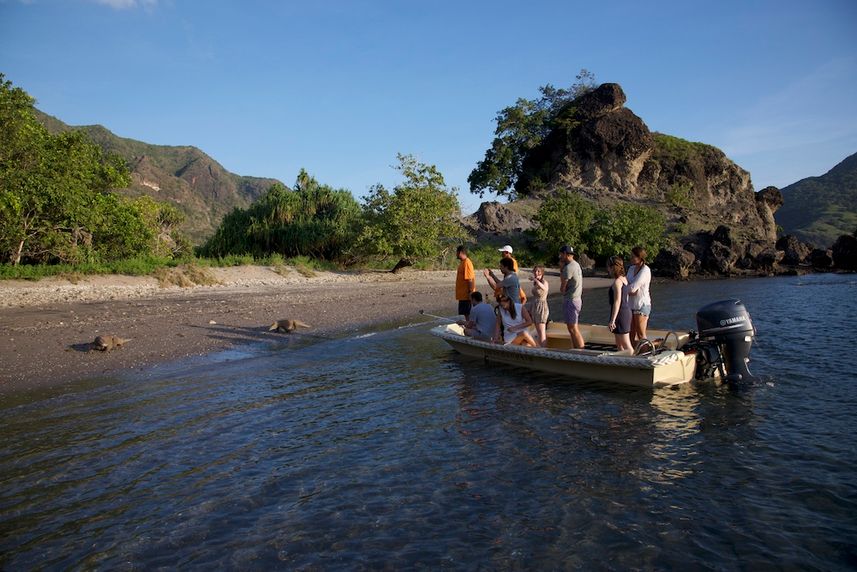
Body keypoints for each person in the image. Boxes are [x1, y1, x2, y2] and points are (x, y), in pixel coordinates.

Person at [559, 245, 585, 349]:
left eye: (561, 254)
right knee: (573, 328)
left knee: (573, 328)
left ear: (565, 254)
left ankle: (581, 351)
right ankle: (577, 349)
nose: (560, 257)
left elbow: (562, 289)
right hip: (577, 299)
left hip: (571, 300)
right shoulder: (576, 265)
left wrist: (561, 270)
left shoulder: (568, 268)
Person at [626, 246, 652, 347]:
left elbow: (632, 288)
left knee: (641, 334)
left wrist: (627, 290)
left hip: (642, 305)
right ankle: (632, 354)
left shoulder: (645, 270)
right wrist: (628, 290)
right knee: (630, 333)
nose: (631, 258)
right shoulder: (631, 268)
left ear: (640, 257)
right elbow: (627, 284)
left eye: (633, 256)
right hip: (631, 305)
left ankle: (645, 355)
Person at [607, 255, 633, 351]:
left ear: (613, 267)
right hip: (624, 311)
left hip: (621, 313)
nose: (608, 269)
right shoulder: (624, 279)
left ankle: (634, 363)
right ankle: (623, 362)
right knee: (619, 344)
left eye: (609, 267)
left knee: (626, 344)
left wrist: (612, 320)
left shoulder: (618, 282)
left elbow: (617, 302)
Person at [527, 265, 550, 346]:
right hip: (535, 306)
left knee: (541, 331)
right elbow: (534, 297)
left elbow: (545, 289)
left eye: (538, 271)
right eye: (535, 271)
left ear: (542, 273)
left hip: (542, 308)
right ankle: (540, 347)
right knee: (538, 330)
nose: (536, 273)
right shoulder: (535, 283)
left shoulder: (544, 282)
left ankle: (543, 350)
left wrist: (536, 280)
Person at [455, 245, 476, 320]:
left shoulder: (467, 262)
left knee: (468, 314)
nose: (456, 254)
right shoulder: (463, 262)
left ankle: (471, 328)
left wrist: (470, 292)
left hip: (467, 295)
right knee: (466, 313)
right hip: (463, 295)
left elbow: (469, 279)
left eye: (456, 252)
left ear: (460, 252)